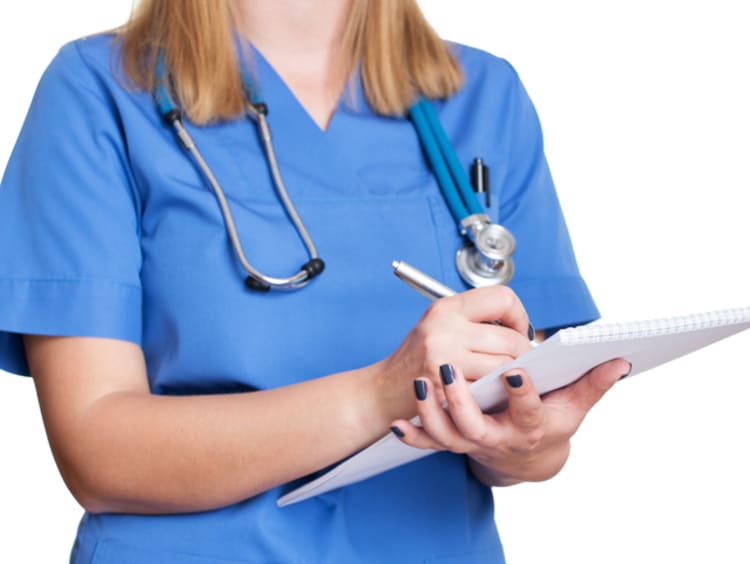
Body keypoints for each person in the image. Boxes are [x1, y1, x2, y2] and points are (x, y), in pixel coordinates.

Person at [0, 1, 629, 562]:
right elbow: (100, 456)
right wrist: (378, 394)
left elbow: (533, 441)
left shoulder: (483, 95)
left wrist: (523, 442)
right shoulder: (98, 89)